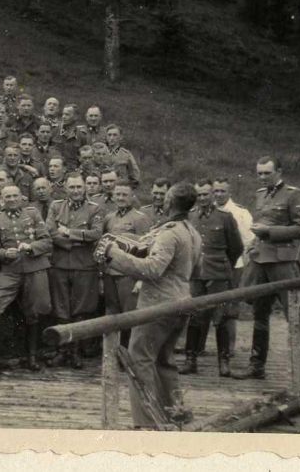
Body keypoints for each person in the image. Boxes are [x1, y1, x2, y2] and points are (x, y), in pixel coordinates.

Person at [99, 181, 202, 429]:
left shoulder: (169, 233)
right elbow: (195, 267)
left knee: (140, 359)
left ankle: (146, 422)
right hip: (182, 300)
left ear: (169, 202)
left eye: (165, 197)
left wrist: (115, 253)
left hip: (159, 305)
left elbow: (153, 270)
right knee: (165, 360)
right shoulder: (192, 232)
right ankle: (174, 412)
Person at [233, 156, 300, 380]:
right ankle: (256, 366)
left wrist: (270, 233)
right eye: (260, 173)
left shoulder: (294, 194)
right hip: (261, 262)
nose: (263, 177)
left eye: (268, 173)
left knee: (294, 316)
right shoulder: (260, 194)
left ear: (279, 171)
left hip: (283, 263)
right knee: (259, 314)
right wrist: (255, 243)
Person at [0, 184, 53, 371]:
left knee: (35, 311)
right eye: (7, 196)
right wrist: (4, 254)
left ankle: (32, 356)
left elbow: (47, 241)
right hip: (10, 270)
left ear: (21, 198)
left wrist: (31, 247)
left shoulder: (33, 214)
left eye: (14, 196)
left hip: (35, 267)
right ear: (1, 199)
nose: (11, 199)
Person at [180, 179, 243, 377]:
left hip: (218, 275)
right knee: (195, 317)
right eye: (199, 195)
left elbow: (236, 248)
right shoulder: (189, 217)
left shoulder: (225, 217)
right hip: (196, 275)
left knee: (221, 318)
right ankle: (191, 360)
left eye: (206, 194)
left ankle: (224, 363)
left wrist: (225, 267)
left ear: (212, 195)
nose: (202, 198)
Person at [46, 173, 104, 368]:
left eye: (79, 187)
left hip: (84, 265)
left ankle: (75, 352)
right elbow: (50, 232)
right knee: (61, 309)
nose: (76, 191)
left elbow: (96, 234)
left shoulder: (94, 208)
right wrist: (74, 243)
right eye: (72, 187)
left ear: (85, 188)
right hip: (60, 264)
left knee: (81, 309)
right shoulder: (55, 206)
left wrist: (69, 232)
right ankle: (62, 352)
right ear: (65, 188)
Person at [100, 183, 152, 349]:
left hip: (129, 275)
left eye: (124, 195)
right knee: (111, 314)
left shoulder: (140, 218)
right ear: (113, 196)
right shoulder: (109, 217)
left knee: (129, 315)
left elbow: (148, 249)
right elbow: (104, 245)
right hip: (110, 273)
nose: (121, 198)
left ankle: (129, 353)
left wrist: (140, 280)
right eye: (118, 194)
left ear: (132, 197)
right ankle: (113, 354)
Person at [213, 176, 255, 356]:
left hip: (233, 266)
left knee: (228, 306)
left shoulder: (240, 213)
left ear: (230, 192)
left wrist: (241, 265)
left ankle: (229, 348)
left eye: (223, 191)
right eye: (216, 191)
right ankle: (196, 347)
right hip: (209, 265)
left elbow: (249, 242)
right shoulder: (206, 210)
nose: (219, 194)